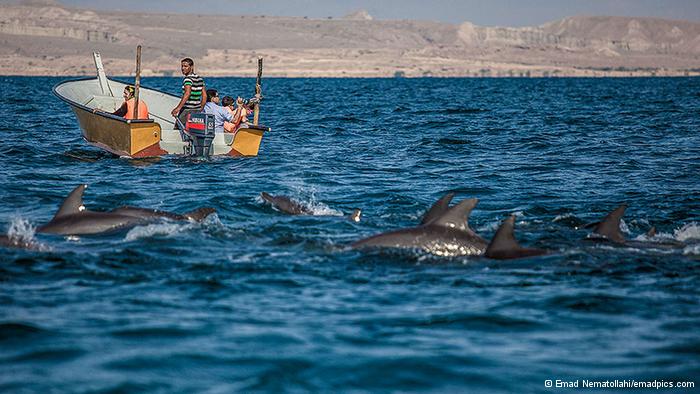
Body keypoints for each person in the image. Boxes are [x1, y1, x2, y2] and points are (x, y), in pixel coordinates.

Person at [171, 57, 207, 129]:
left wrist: (178, 108)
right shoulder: (200, 79)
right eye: (182, 66)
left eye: (185, 66)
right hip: (197, 110)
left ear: (192, 67)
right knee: (192, 129)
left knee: (177, 129)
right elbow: (204, 95)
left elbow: (187, 93)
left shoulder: (187, 79)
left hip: (187, 110)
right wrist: (201, 108)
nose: (183, 68)